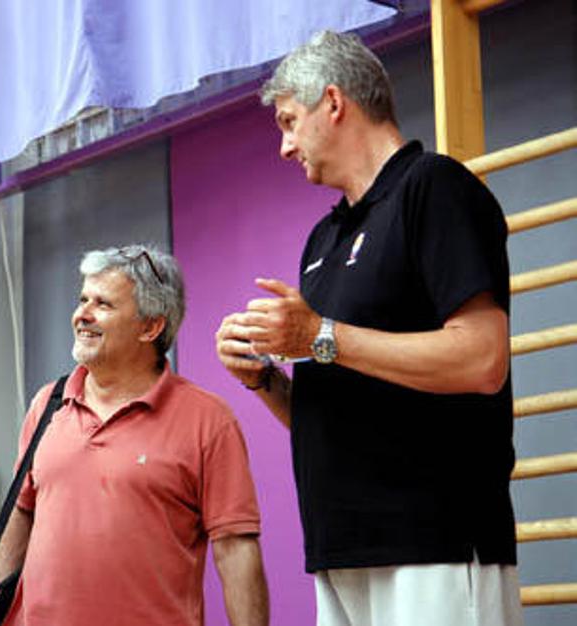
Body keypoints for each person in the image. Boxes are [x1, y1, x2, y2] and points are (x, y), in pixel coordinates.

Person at [215, 30, 522, 626]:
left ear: (333, 102)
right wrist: (266, 380)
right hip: (341, 551)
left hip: (434, 542)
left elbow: (483, 360)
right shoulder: (323, 239)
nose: (284, 146)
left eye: (289, 122)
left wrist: (320, 335)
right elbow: (334, 405)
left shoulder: (434, 186)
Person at [0, 244, 269, 626]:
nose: (82, 315)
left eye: (103, 304)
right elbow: (21, 511)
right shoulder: (47, 405)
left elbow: (235, 549)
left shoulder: (209, 420)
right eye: (83, 300)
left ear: (151, 327)